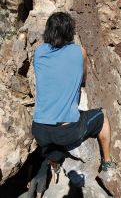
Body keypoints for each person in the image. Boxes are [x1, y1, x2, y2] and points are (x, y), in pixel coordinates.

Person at [32, 12, 115, 186]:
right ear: (70, 31)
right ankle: (107, 162)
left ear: (48, 31)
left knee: (53, 148)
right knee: (102, 116)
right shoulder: (79, 51)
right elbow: (84, 78)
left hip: (39, 130)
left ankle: (54, 164)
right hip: (67, 132)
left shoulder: (38, 53)